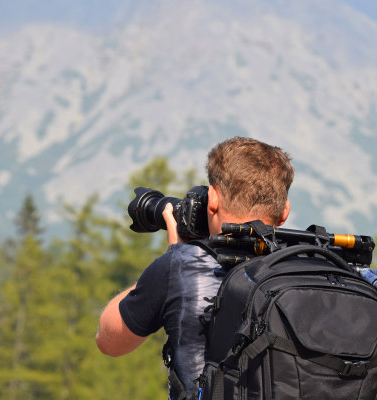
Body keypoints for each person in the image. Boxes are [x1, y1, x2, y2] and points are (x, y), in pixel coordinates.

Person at [95, 137, 294, 399]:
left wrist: (177, 257)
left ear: (212, 199)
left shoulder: (182, 266)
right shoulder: (310, 268)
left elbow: (109, 340)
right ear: (284, 212)